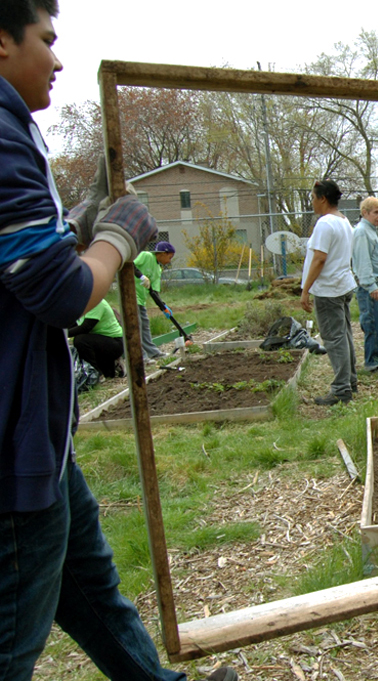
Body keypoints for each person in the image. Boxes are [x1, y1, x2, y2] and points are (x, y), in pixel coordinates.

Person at [0, 3, 236, 679]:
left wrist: (79, 223)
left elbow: (22, 259)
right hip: (11, 456)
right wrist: (118, 237)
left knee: (94, 591)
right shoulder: (3, 136)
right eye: (47, 40)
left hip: (37, 440)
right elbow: (59, 292)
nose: (58, 59)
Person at [300, 179, 358, 406]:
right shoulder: (344, 222)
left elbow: (320, 258)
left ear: (323, 198)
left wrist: (305, 290)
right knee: (344, 336)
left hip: (329, 290)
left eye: (313, 198)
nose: (312, 203)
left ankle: (341, 389)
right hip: (342, 285)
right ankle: (350, 383)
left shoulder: (325, 224)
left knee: (334, 339)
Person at [351, 196, 378, 372]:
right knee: (373, 325)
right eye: (376, 212)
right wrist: (370, 284)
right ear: (365, 213)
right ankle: (372, 363)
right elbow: (362, 262)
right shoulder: (362, 232)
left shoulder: (371, 230)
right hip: (371, 287)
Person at [134, 240, 175, 362]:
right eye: (170, 256)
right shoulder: (146, 256)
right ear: (162, 253)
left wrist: (163, 307)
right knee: (137, 326)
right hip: (131, 296)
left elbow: (154, 292)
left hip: (141, 299)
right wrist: (141, 276)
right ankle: (141, 356)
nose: (170, 260)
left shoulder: (158, 269)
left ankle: (152, 352)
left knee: (145, 325)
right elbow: (130, 265)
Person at [68, 298, 124, 378]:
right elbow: (73, 324)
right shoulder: (80, 304)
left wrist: (64, 334)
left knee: (80, 340)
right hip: (99, 340)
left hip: (115, 342)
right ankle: (112, 365)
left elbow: (86, 327)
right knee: (109, 375)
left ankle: (95, 373)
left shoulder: (96, 303)